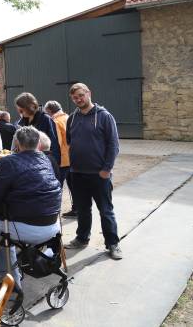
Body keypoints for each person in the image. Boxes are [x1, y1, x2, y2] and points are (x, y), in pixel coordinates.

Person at [0, 126, 61, 291]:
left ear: (17, 144)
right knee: (4, 237)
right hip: (52, 226)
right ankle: (11, 276)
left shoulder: (10, 161)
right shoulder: (45, 159)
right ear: (38, 143)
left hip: (26, 228)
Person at [64, 83, 122, 260]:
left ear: (89, 93)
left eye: (81, 95)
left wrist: (106, 169)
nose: (78, 99)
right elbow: (69, 142)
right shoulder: (71, 118)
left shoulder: (104, 116)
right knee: (82, 210)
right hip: (77, 174)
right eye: (75, 98)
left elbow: (113, 145)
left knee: (106, 210)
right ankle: (82, 238)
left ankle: (113, 244)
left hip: (99, 175)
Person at [44, 100, 76, 218]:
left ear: (49, 111)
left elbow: (58, 142)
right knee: (73, 186)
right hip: (72, 158)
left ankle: (54, 212)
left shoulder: (55, 121)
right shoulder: (68, 117)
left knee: (57, 186)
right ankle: (76, 209)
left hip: (62, 160)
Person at [14, 92, 61, 164]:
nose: (20, 113)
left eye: (22, 110)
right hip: (27, 161)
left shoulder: (45, 119)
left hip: (42, 160)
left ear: (31, 106)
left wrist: (53, 163)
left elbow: (53, 144)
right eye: (19, 111)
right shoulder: (22, 122)